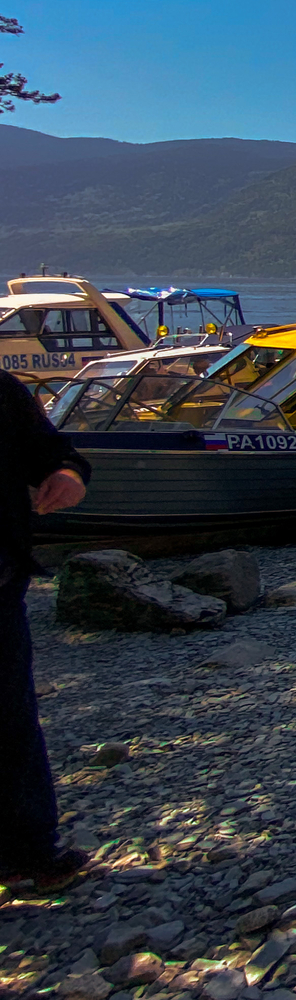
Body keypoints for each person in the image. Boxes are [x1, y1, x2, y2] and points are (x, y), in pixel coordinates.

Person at [2, 371, 91, 893]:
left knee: (10, 720)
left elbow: (55, 454)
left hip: (1, 580)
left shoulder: (3, 393)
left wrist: (67, 474)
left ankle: (28, 852)